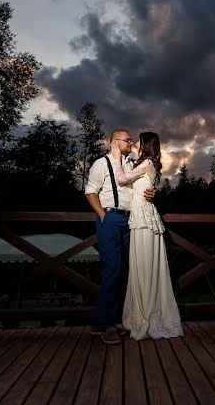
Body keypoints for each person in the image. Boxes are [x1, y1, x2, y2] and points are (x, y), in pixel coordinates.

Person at [84, 129, 156, 345]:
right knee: (112, 269)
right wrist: (102, 215)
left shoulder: (129, 164)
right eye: (127, 139)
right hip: (111, 219)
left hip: (131, 220)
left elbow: (142, 182)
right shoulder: (101, 163)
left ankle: (113, 319)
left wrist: (153, 191)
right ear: (115, 143)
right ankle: (107, 325)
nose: (131, 142)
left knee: (127, 269)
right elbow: (90, 191)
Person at [109, 131, 183, 340]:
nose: (136, 144)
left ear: (146, 144)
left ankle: (149, 314)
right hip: (139, 218)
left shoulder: (148, 162)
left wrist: (115, 159)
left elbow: (122, 179)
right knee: (139, 266)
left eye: (139, 141)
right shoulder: (144, 164)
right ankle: (140, 313)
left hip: (144, 220)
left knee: (144, 265)